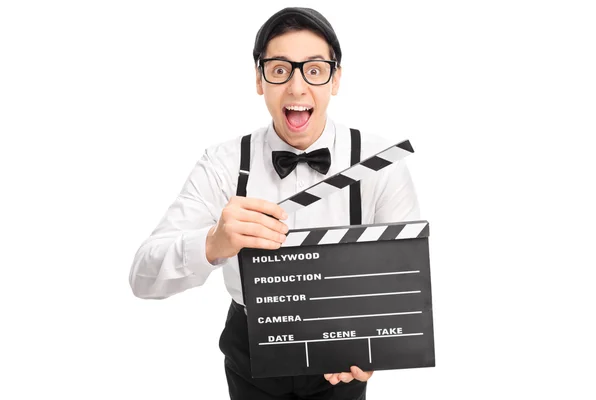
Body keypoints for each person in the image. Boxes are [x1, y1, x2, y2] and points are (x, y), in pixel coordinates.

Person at [129, 7, 420, 400]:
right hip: (250, 348)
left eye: (314, 70)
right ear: (258, 78)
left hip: (343, 351)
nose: (298, 88)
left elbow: (404, 281)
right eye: (280, 70)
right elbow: (142, 277)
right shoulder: (223, 163)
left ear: (335, 79)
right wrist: (213, 243)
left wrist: (375, 348)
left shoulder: (378, 161)